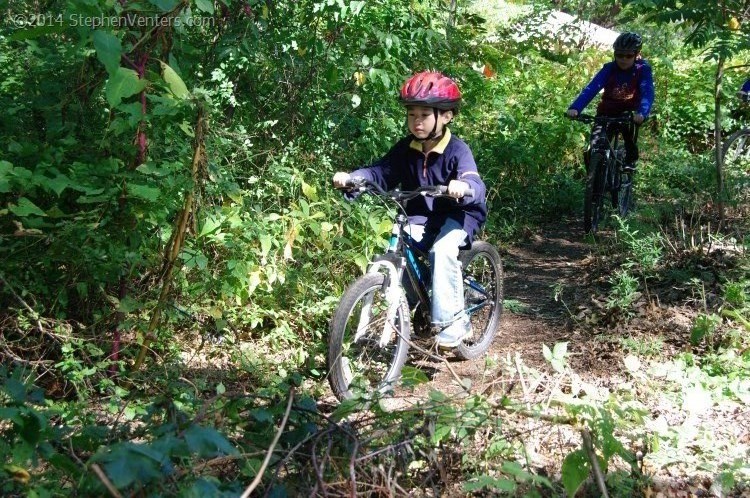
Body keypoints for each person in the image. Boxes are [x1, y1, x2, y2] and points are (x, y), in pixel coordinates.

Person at [332, 71, 487, 348]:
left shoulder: (457, 150)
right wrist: (355, 178)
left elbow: (473, 180)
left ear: (446, 116)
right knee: (398, 253)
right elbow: (382, 171)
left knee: (441, 251)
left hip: (458, 215)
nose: (417, 121)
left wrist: (463, 187)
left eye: (425, 115)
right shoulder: (406, 148)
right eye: (411, 114)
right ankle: (413, 304)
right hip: (418, 214)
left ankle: (453, 323)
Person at [566, 31, 655, 172]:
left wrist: (642, 113)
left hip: (630, 111)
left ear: (637, 54)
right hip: (607, 110)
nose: (623, 59)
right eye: (619, 55)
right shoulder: (609, 69)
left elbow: (647, 92)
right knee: (593, 147)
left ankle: (630, 161)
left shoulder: (642, 69)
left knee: (629, 136)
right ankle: (595, 182)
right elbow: (592, 88)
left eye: (628, 55)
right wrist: (576, 108)